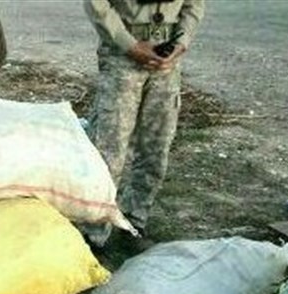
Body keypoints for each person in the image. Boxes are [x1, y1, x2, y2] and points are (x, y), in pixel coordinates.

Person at [83, 0, 205, 250]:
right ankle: (94, 234)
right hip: (121, 55)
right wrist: (130, 45)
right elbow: (97, 4)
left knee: (155, 148)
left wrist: (181, 44)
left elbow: (194, 5)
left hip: (166, 58)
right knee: (109, 149)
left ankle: (135, 221)